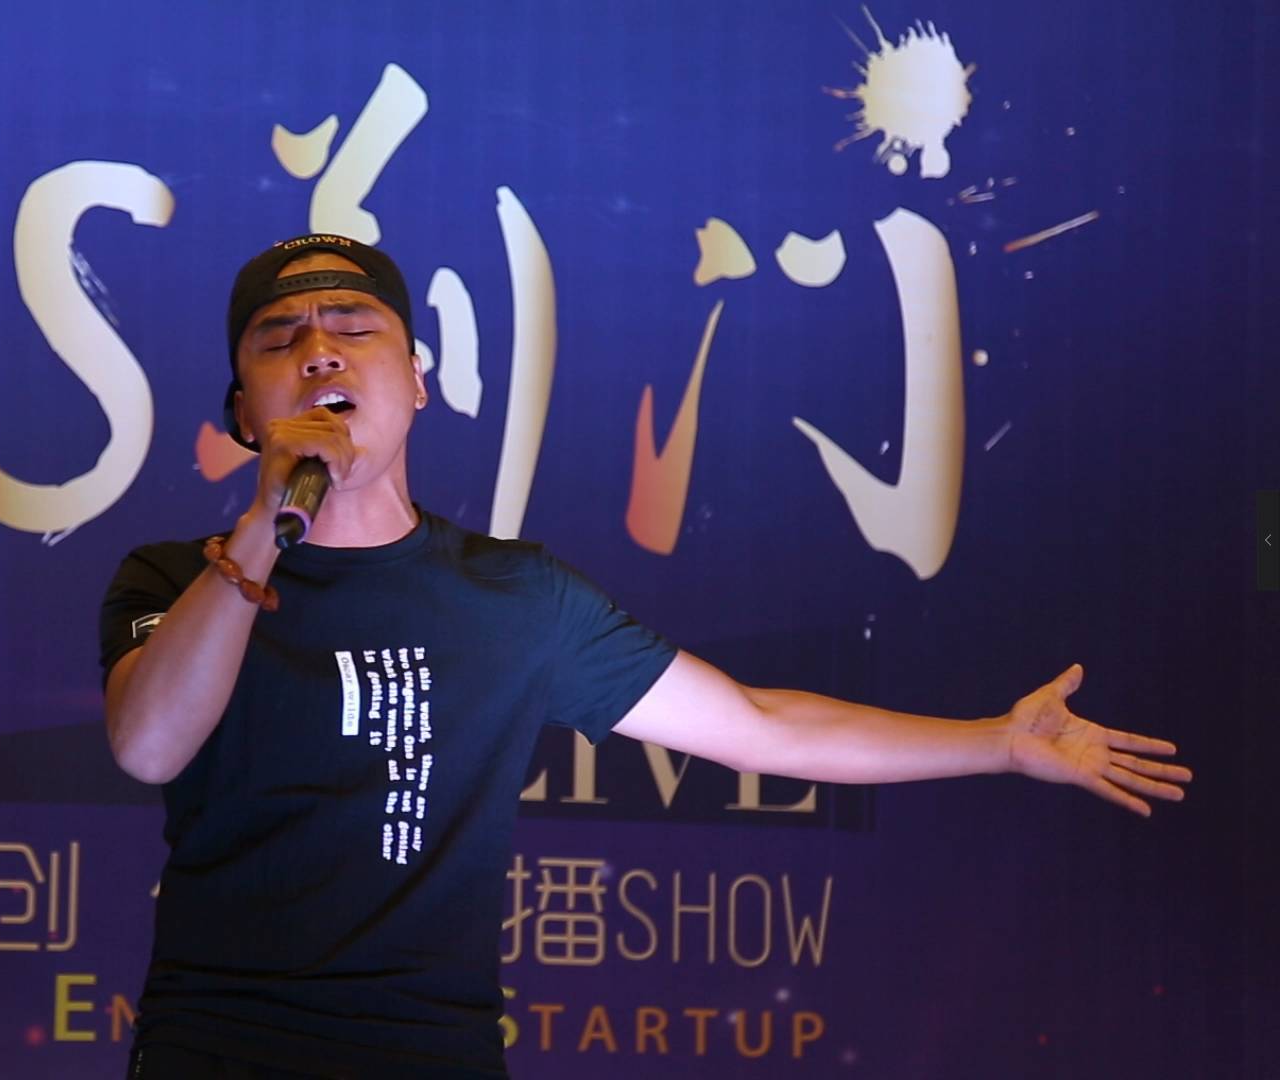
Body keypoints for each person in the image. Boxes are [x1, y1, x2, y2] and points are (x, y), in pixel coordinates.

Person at [97, 234, 1191, 1079]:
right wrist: (263, 530)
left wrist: (997, 743)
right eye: (279, 339)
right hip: (216, 1049)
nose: (320, 350)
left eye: (353, 325)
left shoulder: (513, 597)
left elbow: (762, 726)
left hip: (429, 1053)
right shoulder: (171, 580)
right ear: (245, 414)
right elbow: (149, 744)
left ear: (420, 380)